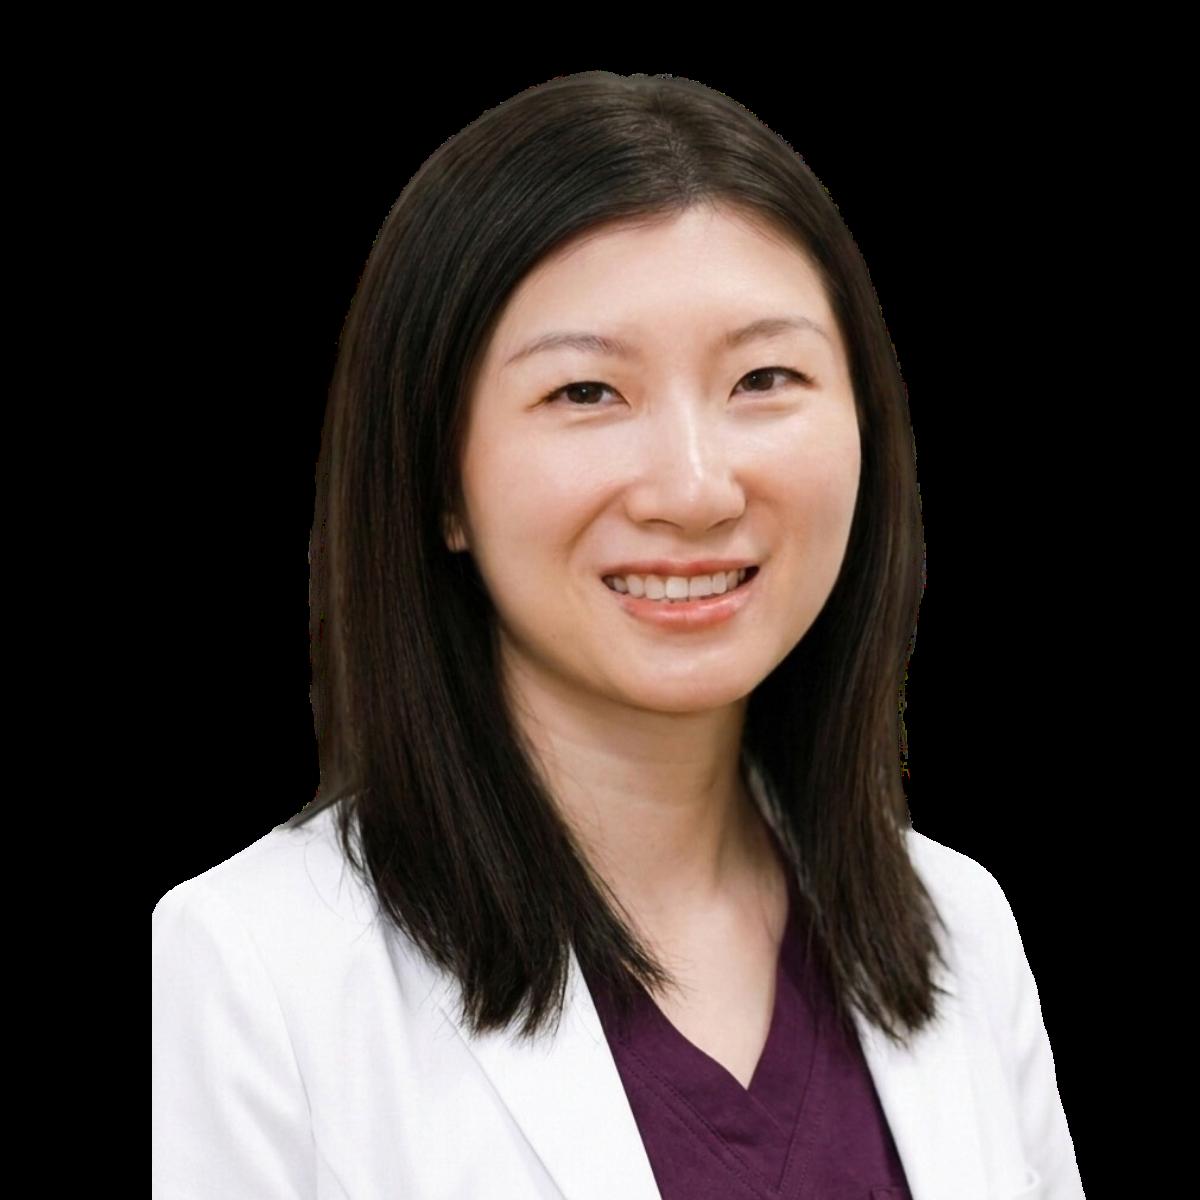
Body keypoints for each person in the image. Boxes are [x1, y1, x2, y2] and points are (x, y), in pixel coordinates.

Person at [152, 71, 1084, 1199]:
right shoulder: (247, 973)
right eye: (587, 392)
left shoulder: (961, 930)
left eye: (765, 377)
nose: (694, 490)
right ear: (439, 481)